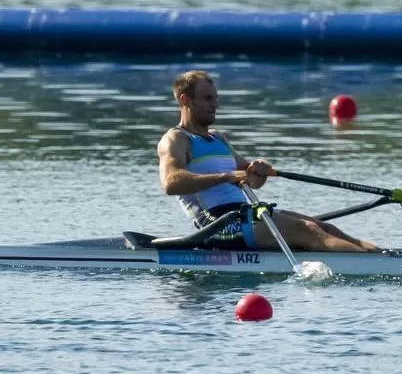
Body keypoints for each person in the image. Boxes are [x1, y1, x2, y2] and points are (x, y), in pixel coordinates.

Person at [156, 69, 381, 252]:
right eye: (207, 99)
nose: (215, 105)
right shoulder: (176, 139)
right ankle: (378, 266)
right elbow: (171, 183)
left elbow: (252, 181)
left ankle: (385, 255)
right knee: (308, 230)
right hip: (218, 225)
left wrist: (259, 168)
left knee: (324, 227)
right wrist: (227, 176)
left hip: (246, 213)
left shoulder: (217, 138)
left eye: (215, 98)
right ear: (185, 100)